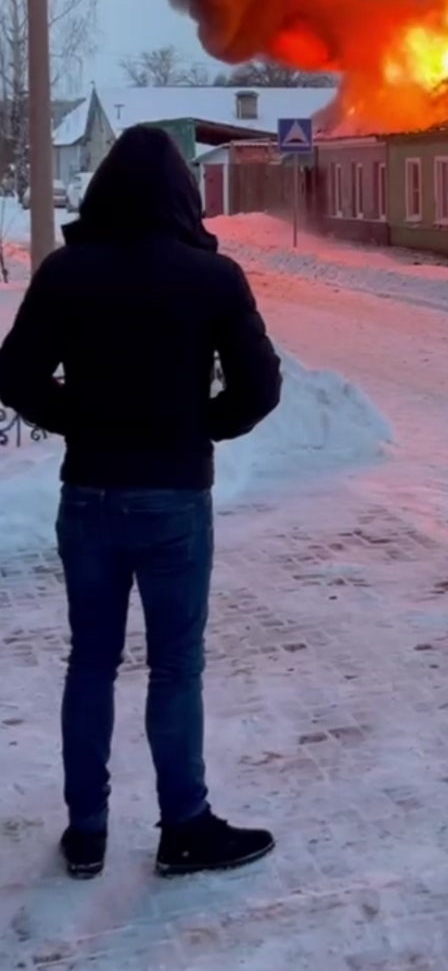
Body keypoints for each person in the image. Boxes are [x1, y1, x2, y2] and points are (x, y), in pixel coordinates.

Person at [0, 127, 282, 881]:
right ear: (184, 196)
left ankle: (86, 830)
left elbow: (16, 376)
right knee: (174, 666)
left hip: (88, 494)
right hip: (174, 500)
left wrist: (80, 420)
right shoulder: (212, 278)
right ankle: (184, 825)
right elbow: (260, 388)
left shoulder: (66, 272)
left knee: (89, 660)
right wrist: (198, 426)